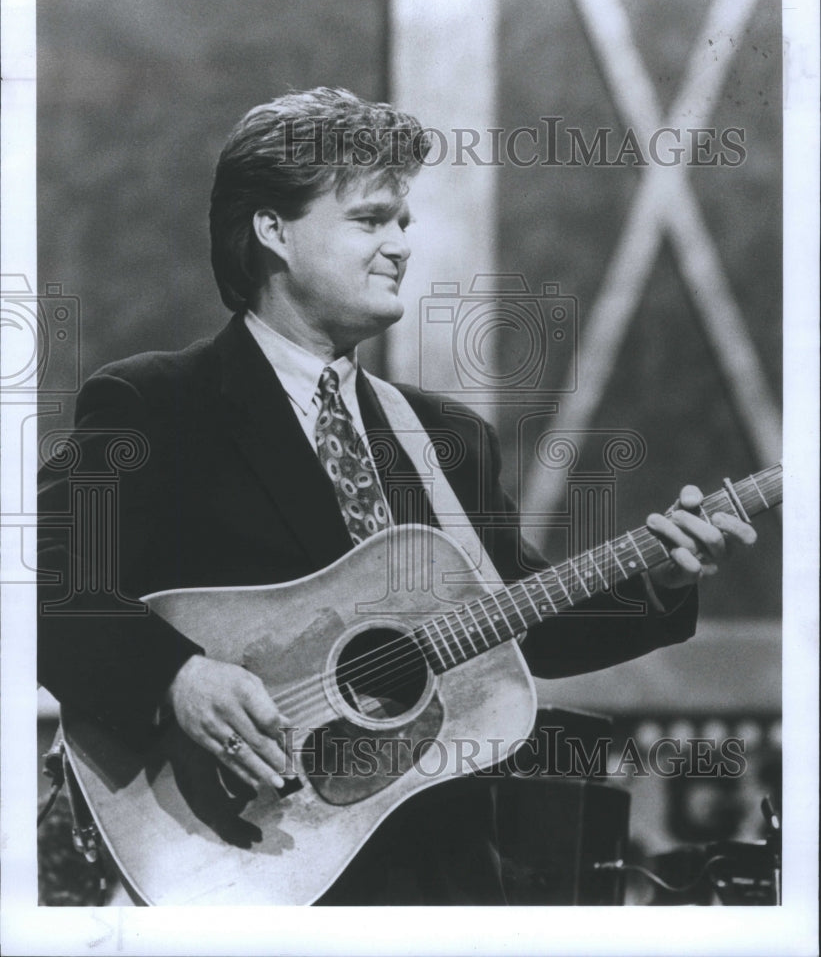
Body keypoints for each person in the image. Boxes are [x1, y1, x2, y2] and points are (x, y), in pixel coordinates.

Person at [37, 87, 757, 905]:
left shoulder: (446, 436)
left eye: (404, 223)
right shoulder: (155, 403)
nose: (399, 246)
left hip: (440, 871)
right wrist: (175, 677)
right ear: (273, 230)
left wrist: (658, 581)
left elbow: (516, 623)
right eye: (371, 220)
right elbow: (42, 588)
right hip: (247, 853)